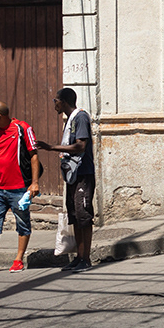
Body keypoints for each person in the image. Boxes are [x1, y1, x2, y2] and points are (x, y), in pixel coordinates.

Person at [0, 102, 41, 276]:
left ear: (0, 116)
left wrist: (34, 183)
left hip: (19, 187)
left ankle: (18, 259)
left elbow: (33, 155)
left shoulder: (23, 128)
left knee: (22, 223)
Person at [36, 88, 96, 272]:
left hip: (83, 174)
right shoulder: (70, 120)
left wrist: (51, 147)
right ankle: (79, 257)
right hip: (73, 175)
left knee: (83, 215)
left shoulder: (80, 117)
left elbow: (80, 145)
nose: (55, 104)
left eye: (56, 100)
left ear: (64, 101)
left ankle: (86, 258)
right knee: (75, 216)